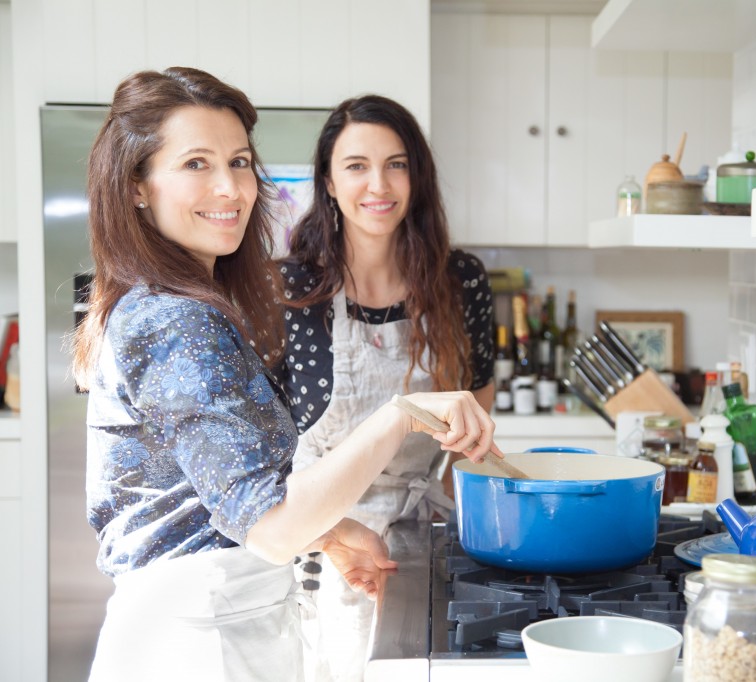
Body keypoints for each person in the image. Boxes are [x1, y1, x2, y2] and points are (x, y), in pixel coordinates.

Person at [71, 67, 500, 682]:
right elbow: (270, 525)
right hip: (199, 638)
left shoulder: (186, 304)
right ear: (137, 186)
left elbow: (228, 490)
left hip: (231, 614)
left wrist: (329, 532)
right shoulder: (176, 321)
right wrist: (403, 413)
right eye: (196, 164)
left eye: (240, 161)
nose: (230, 187)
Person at [276, 94, 495, 680]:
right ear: (327, 180)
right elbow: (265, 460)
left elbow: (473, 437)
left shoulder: (460, 281)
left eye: (397, 164)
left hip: (423, 540)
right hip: (319, 542)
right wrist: (325, 534)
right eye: (356, 165)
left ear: (416, 176)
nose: (379, 183)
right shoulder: (290, 290)